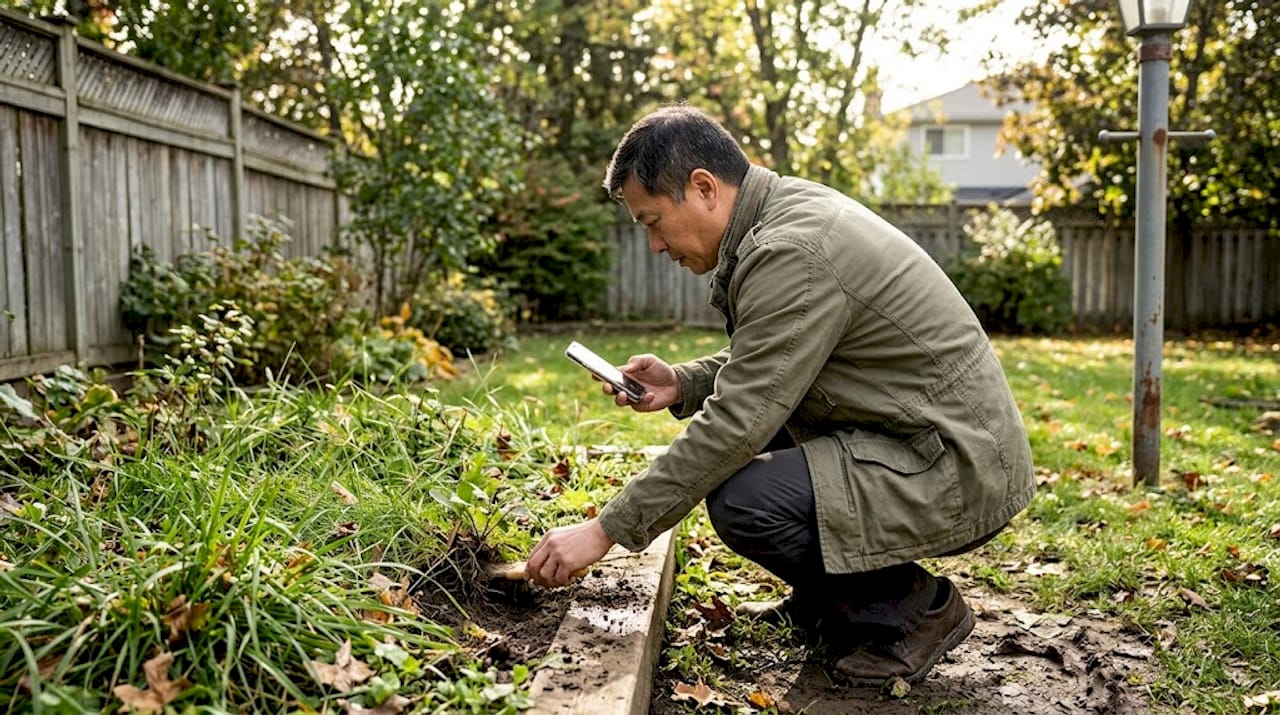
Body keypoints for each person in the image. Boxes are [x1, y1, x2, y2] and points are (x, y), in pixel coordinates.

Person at [523, 104, 1035, 685]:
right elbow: (783, 358)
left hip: (954, 463)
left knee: (746, 499)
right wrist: (684, 382)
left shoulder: (793, 249)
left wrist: (604, 531)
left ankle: (914, 608)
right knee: (765, 451)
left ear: (704, 188)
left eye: (653, 221)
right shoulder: (782, 214)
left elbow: (739, 421)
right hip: (923, 437)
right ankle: (833, 600)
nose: (656, 246)